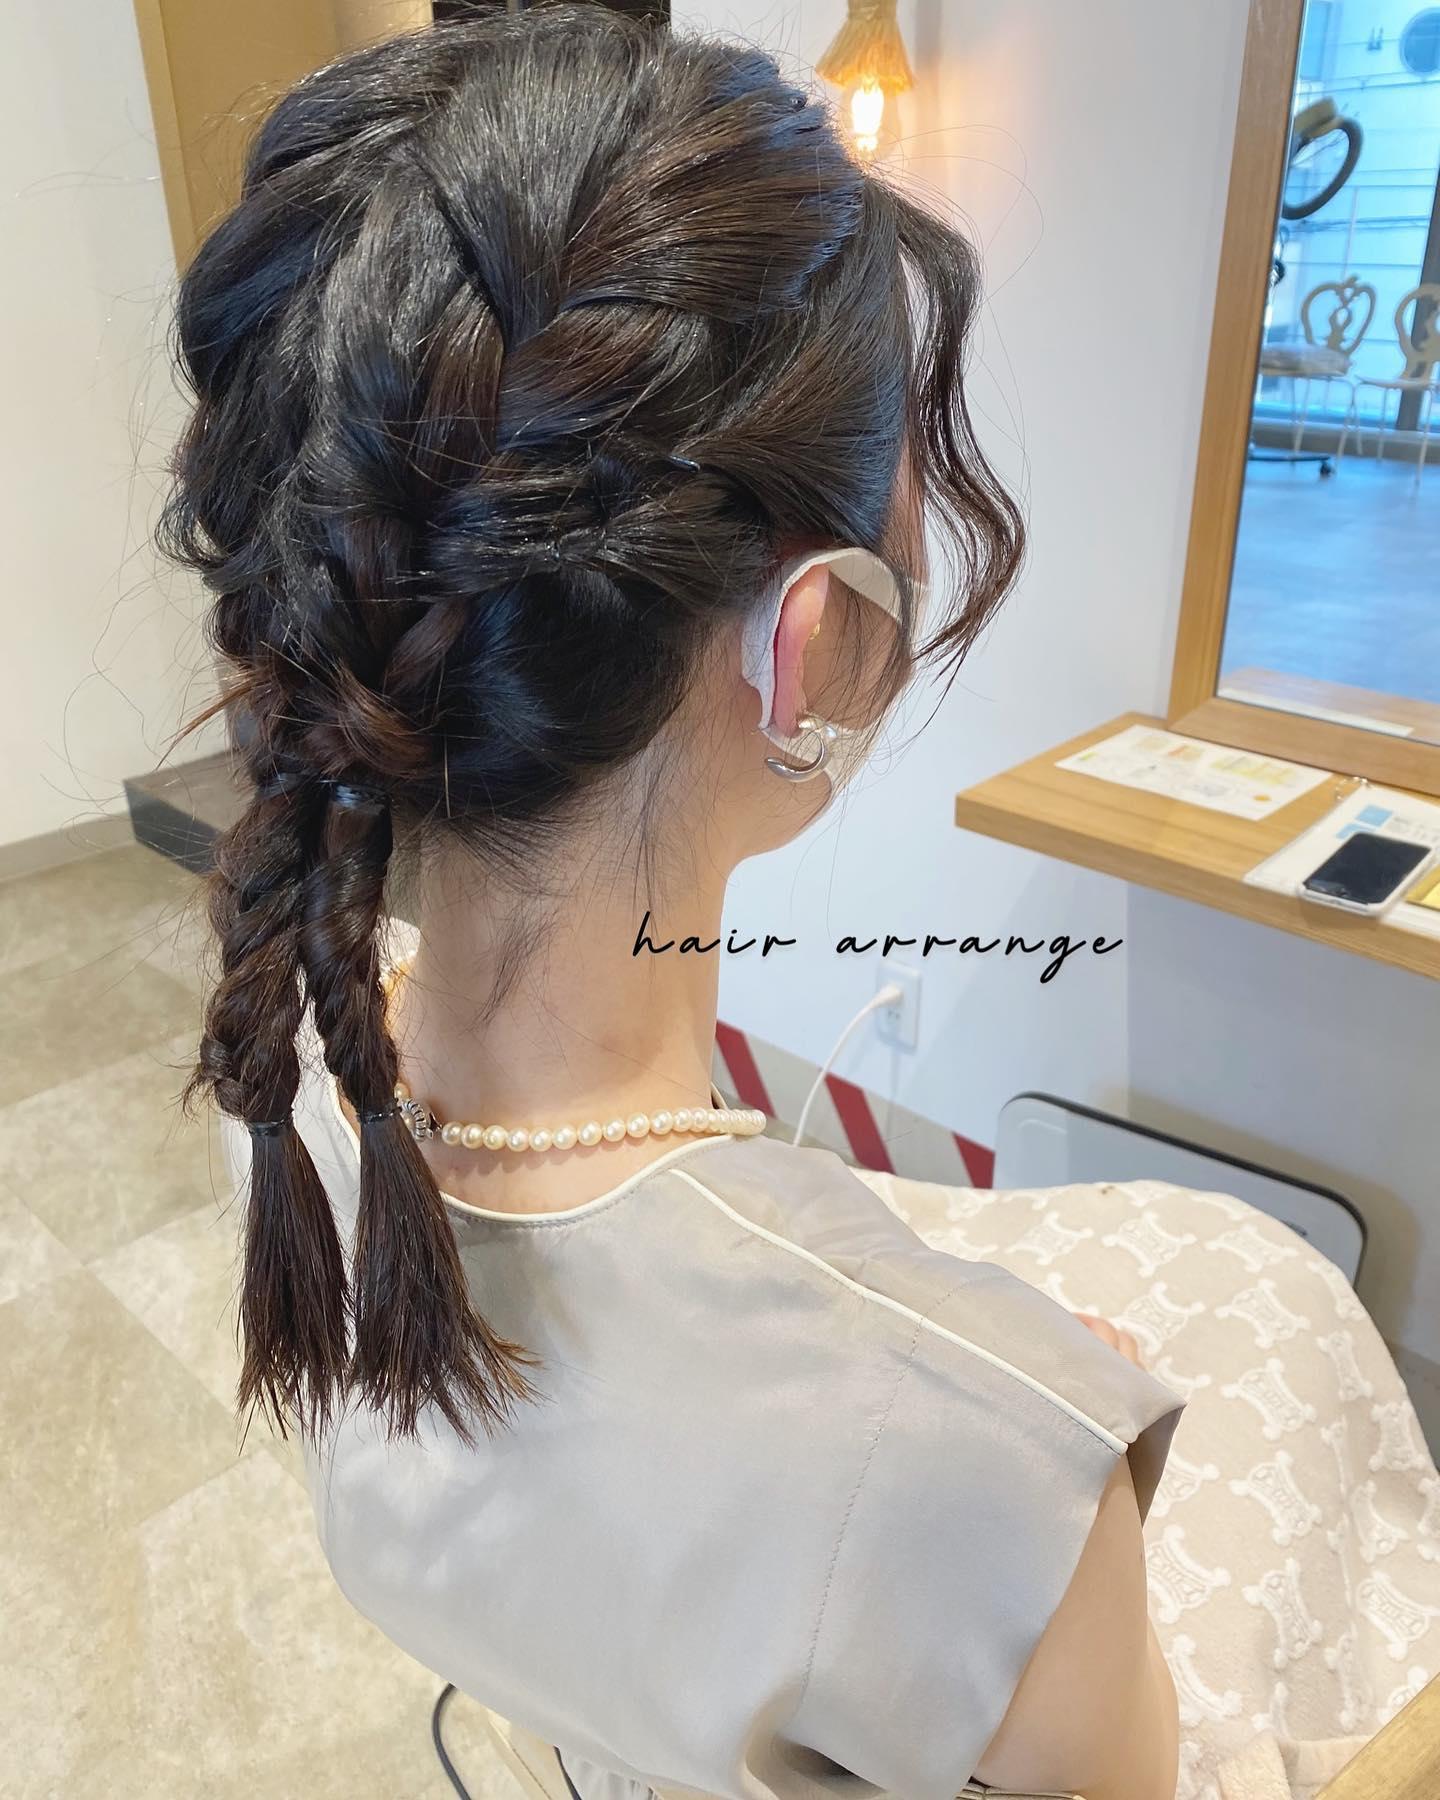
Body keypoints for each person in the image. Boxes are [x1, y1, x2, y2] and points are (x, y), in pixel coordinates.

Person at [170, 9, 1438, 1798]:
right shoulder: (984, 1465)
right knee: (1293, 1337)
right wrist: (1011, 1433)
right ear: (811, 637)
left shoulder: (286, 1066)